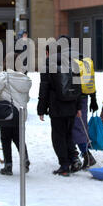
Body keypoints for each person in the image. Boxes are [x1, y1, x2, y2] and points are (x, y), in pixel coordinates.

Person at [37, 37, 82, 177]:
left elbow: (44, 89)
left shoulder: (47, 66)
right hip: (71, 105)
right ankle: (73, 159)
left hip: (56, 107)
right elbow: (78, 86)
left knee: (58, 136)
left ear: (48, 53)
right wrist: (78, 107)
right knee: (68, 134)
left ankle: (64, 165)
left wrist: (41, 109)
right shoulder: (72, 63)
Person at [0, 53, 32, 176]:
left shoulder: (4, 76)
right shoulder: (25, 79)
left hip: (7, 112)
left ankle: (8, 166)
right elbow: (27, 98)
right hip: (20, 112)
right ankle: (25, 160)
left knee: (5, 138)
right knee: (19, 138)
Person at [72, 55, 98, 170]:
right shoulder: (83, 60)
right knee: (81, 125)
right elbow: (91, 81)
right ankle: (81, 153)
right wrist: (93, 99)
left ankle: (86, 155)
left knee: (75, 127)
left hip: (74, 99)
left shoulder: (70, 61)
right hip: (84, 97)